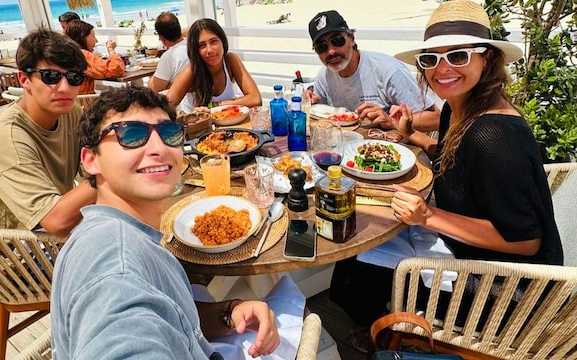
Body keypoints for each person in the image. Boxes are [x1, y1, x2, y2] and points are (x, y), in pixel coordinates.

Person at [330, 0, 563, 351]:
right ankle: (378, 322)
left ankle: (391, 333)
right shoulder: (461, 108)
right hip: (468, 246)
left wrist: (428, 216)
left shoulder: (494, 136)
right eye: (431, 59)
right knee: (357, 242)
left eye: (458, 56)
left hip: (504, 287)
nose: (442, 69)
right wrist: (412, 135)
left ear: (488, 59)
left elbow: (525, 241)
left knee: (359, 267)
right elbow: (459, 161)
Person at [51, 85, 305, 359]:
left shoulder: (122, 232)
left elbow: (174, 318)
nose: (159, 148)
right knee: (300, 306)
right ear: (91, 160)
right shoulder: (113, 264)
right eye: (132, 134)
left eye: (169, 133)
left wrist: (228, 312)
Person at [0, 27, 97, 237]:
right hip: (24, 252)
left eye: (74, 78)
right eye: (50, 76)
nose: (65, 88)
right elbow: (56, 221)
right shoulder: (6, 137)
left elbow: (89, 169)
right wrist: (112, 173)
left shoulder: (70, 111)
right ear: (24, 79)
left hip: (67, 224)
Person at [303, 10, 440, 131]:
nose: (331, 51)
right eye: (321, 47)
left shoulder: (388, 70)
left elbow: (436, 118)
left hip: (393, 151)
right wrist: (310, 102)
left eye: (337, 40)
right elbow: (321, 122)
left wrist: (391, 121)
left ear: (351, 39)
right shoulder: (324, 77)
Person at [167, 18, 261, 113]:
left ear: (222, 41)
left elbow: (255, 99)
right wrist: (183, 118)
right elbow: (164, 108)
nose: (209, 50)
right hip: (199, 127)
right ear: (195, 50)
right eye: (202, 45)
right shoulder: (191, 71)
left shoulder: (230, 60)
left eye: (213, 41)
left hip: (229, 124)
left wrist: (216, 105)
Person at [65, 20, 125, 95]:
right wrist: (111, 49)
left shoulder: (67, 53)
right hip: (85, 102)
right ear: (83, 36)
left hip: (75, 100)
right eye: (93, 36)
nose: (96, 40)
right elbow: (116, 68)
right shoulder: (81, 55)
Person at [147, 11, 189, 93]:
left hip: (180, 101)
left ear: (161, 37)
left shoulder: (169, 57)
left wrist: (152, 78)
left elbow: (154, 89)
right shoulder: (192, 45)